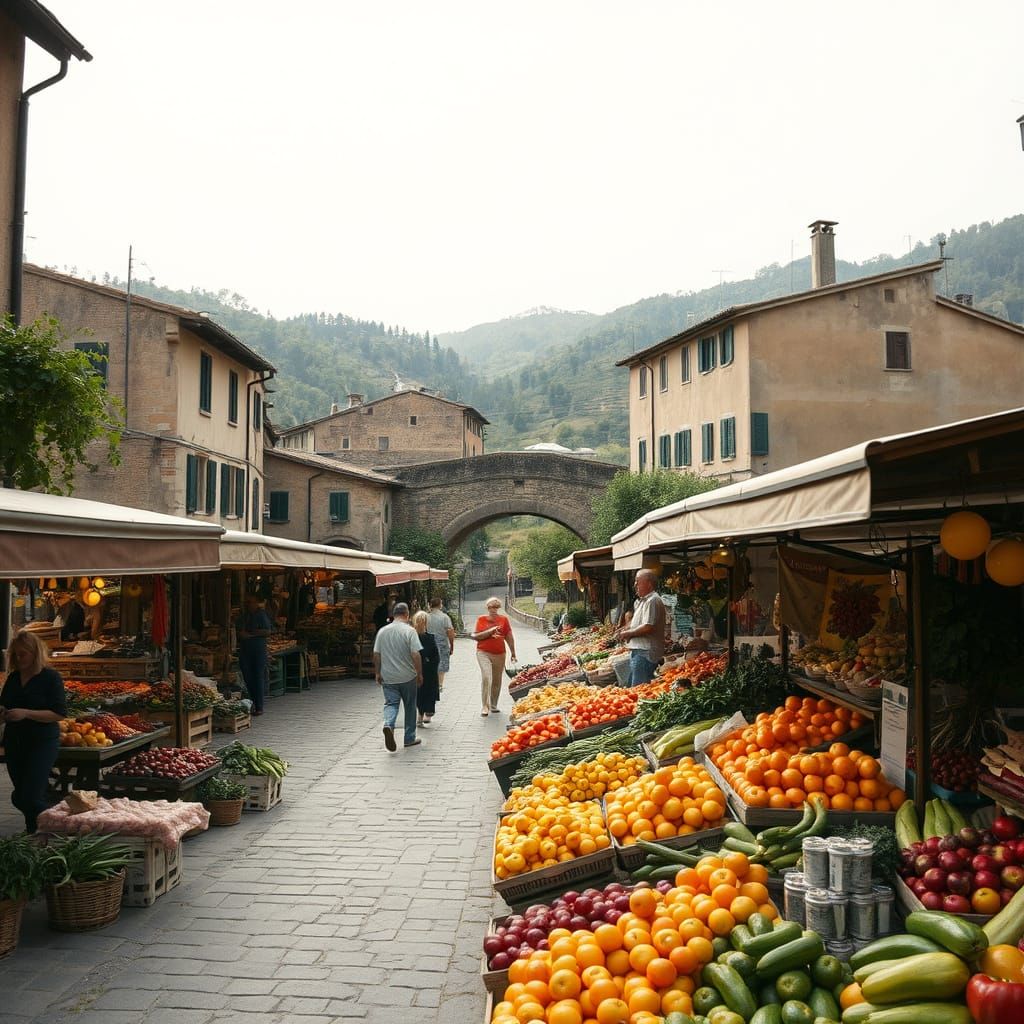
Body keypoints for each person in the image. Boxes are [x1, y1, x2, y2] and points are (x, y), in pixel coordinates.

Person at [1, 631, 67, 833]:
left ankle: (55, 827)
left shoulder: (50, 678)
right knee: (20, 794)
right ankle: (35, 832)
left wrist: (26, 713)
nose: (19, 659)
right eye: (15, 655)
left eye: (23, 654)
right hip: (15, 741)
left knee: (29, 796)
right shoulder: (13, 678)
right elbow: (4, 703)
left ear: (34, 653)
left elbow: (59, 713)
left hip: (42, 742)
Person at [372, 602, 423, 750]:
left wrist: (377, 672)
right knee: (410, 706)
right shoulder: (410, 631)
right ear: (407, 615)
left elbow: (376, 654)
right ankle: (409, 738)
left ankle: (388, 724)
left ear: (393, 615)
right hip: (408, 676)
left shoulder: (382, 631)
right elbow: (415, 654)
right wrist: (419, 673)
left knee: (390, 704)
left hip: (388, 677)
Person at [616, 569, 666, 686]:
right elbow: (636, 623)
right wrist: (624, 629)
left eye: (638, 581)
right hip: (640, 651)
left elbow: (648, 626)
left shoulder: (653, 600)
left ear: (648, 583)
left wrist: (628, 634)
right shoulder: (644, 601)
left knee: (640, 689)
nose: (635, 585)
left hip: (645, 652)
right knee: (634, 687)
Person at [472, 596, 516, 717]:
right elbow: (477, 636)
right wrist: (490, 631)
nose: (494, 609)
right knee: (487, 676)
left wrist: (513, 652)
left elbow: (509, 636)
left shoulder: (504, 620)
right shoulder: (482, 619)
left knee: (497, 680)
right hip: (483, 652)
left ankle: (493, 704)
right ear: (487, 607)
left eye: (496, 606)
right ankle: (485, 706)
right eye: (491, 606)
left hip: (499, 653)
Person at [236, 594, 273, 716]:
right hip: (245, 650)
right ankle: (252, 702)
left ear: (256, 603)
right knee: (248, 677)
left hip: (258, 650)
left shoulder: (261, 615)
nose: (248, 605)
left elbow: (267, 631)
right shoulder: (244, 616)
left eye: (250, 602)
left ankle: (259, 706)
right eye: (246, 602)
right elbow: (239, 629)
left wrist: (251, 634)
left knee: (258, 677)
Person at [412, 611, 440, 725]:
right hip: (426, 667)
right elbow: (435, 655)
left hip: (421, 668)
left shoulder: (414, 636)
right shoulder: (427, 637)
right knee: (425, 690)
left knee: (420, 691)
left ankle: (422, 714)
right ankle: (424, 713)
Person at [426, 597, 455, 692]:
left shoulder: (426, 616)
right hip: (442, 642)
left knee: (430, 662)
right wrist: (451, 645)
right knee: (442, 663)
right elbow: (450, 631)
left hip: (429, 642)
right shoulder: (445, 617)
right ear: (440, 605)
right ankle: (439, 684)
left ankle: (431, 683)